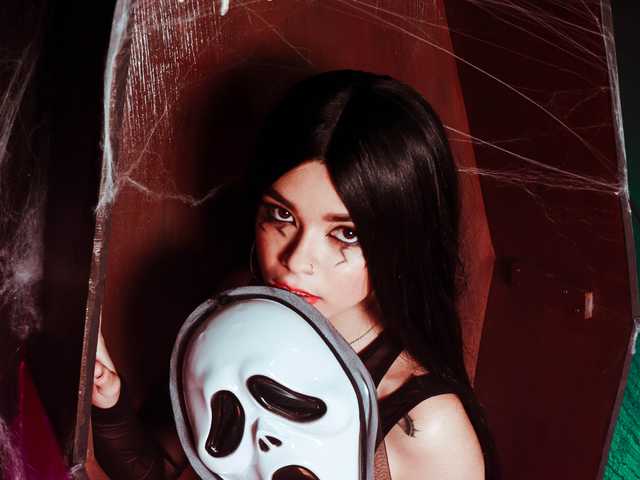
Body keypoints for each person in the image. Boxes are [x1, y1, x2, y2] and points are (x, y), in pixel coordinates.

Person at [92, 69, 497, 479]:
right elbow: (157, 468)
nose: (298, 260)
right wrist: (108, 401)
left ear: (404, 241)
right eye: (281, 215)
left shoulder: (428, 427)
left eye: (346, 233)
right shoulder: (242, 306)